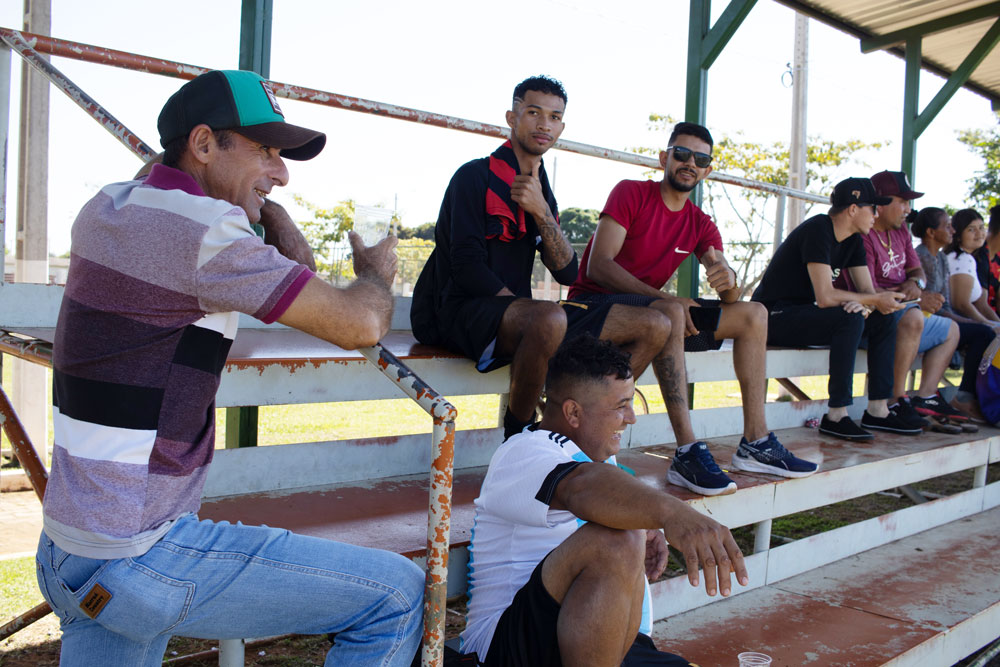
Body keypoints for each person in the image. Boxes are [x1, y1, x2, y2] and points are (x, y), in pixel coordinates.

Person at [37, 70, 424, 666]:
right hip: (143, 557)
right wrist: (374, 272)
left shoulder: (106, 206)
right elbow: (361, 323)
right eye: (264, 150)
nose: (282, 170)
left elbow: (173, 195)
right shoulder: (208, 236)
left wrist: (264, 209)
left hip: (70, 551)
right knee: (395, 594)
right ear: (203, 144)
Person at [411, 75, 696, 486]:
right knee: (548, 320)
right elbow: (467, 268)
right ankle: (518, 447)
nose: (544, 123)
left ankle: (570, 434)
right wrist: (524, 312)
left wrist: (542, 213)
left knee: (655, 324)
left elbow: (567, 271)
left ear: (562, 128)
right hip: (456, 310)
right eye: (533, 112)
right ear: (512, 117)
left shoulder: (543, 192)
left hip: (523, 317)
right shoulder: (473, 177)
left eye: (555, 117)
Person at [460, 334, 748, 666]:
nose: (631, 418)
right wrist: (669, 514)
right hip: (508, 647)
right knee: (615, 538)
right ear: (573, 412)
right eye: (620, 406)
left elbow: (604, 493)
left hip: (593, 640)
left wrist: (645, 527)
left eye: (632, 401)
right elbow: (581, 487)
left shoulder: (596, 457)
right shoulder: (524, 451)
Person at [566, 121, 816, 491]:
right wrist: (667, 300)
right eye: (681, 154)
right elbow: (598, 265)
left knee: (753, 314)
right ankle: (686, 451)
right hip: (595, 308)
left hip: (654, 313)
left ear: (708, 170)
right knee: (670, 310)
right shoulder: (631, 193)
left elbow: (725, 286)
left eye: (700, 159)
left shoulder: (700, 223)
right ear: (665, 158)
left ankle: (756, 443)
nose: (690, 163)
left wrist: (727, 279)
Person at [752, 177, 917, 441]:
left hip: (805, 314)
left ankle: (878, 409)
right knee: (848, 318)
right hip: (771, 317)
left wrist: (870, 303)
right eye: (872, 208)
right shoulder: (818, 229)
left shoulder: (852, 239)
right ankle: (837, 415)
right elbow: (826, 297)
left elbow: (868, 294)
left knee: (884, 319)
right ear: (853, 209)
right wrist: (868, 302)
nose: (876, 215)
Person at [838, 170, 965, 424]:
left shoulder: (901, 232)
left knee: (951, 329)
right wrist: (916, 300)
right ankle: (895, 399)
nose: (908, 209)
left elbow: (918, 272)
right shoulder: (863, 234)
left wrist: (915, 283)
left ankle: (925, 396)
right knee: (914, 317)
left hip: (901, 311)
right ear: (881, 204)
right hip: (870, 318)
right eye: (903, 201)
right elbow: (870, 295)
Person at [911, 207, 995, 421]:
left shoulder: (941, 258)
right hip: (921, 321)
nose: (952, 230)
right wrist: (975, 323)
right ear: (931, 232)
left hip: (941, 320)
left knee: (981, 331)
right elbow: (938, 305)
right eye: (947, 226)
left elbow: (945, 305)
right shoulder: (921, 257)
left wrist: (970, 322)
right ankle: (964, 398)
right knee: (983, 334)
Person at [946, 208, 1000, 329]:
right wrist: (989, 324)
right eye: (971, 229)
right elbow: (960, 304)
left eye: (981, 227)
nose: (979, 233)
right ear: (958, 235)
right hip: (957, 327)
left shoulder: (969, 257)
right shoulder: (961, 258)